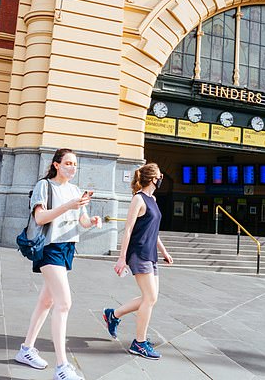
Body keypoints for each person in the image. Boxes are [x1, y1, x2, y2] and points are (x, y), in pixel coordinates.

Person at [15, 148, 101, 380]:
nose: (73, 168)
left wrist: (91, 221)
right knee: (64, 303)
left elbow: (81, 221)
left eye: (75, 165)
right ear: (56, 164)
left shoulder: (75, 190)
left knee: (47, 301)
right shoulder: (45, 186)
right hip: (49, 247)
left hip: (67, 247)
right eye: (69, 163)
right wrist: (68, 206)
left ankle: (26, 349)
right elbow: (40, 218)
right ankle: (62, 367)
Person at [103, 163, 173, 360]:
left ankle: (113, 314)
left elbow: (154, 231)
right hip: (139, 253)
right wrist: (121, 258)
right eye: (160, 175)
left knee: (150, 298)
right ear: (153, 179)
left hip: (151, 253)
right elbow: (128, 230)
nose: (161, 178)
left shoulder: (153, 199)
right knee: (149, 298)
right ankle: (139, 343)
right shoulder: (138, 199)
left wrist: (165, 252)